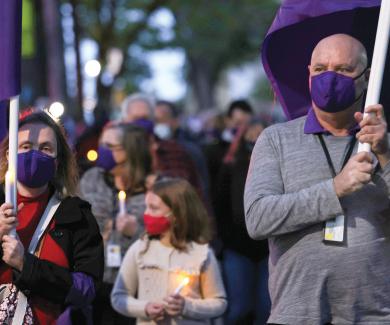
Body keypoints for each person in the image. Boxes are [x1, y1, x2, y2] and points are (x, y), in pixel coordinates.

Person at [244, 33, 390, 324]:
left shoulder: (382, 142)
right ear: (309, 74)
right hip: (296, 313)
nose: (330, 78)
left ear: (367, 77)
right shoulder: (276, 140)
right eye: (321, 69)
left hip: (372, 314)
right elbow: (258, 219)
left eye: (344, 69)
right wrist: (335, 190)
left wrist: (385, 157)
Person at [0, 110, 104, 324]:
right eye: (26, 146)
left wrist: (26, 265)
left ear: (58, 161)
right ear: (9, 154)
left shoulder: (76, 215)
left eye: (46, 148)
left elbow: (86, 290)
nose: (35, 154)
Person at [111, 178, 227, 324]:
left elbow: (219, 302)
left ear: (177, 214)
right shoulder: (140, 249)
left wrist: (186, 306)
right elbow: (119, 297)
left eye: (154, 208)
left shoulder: (201, 253)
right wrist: (145, 308)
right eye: (146, 207)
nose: (146, 214)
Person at [79, 122, 152, 324]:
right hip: (96, 280)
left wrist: (135, 231)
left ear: (130, 150)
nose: (103, 150)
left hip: (136, 284)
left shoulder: (151, 187)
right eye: (102, 144)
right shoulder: (91, 178)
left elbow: (164, 238)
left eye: (110, 147)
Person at [216, 119, 270, 325]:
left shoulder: (274, 166)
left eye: (259, 134)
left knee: (266, 307)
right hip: (237, 247)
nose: (255, 139)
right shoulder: (231, 166)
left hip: (267, 248)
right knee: (239, 308)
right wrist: (225, 239)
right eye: (251, 135)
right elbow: (220, 204)